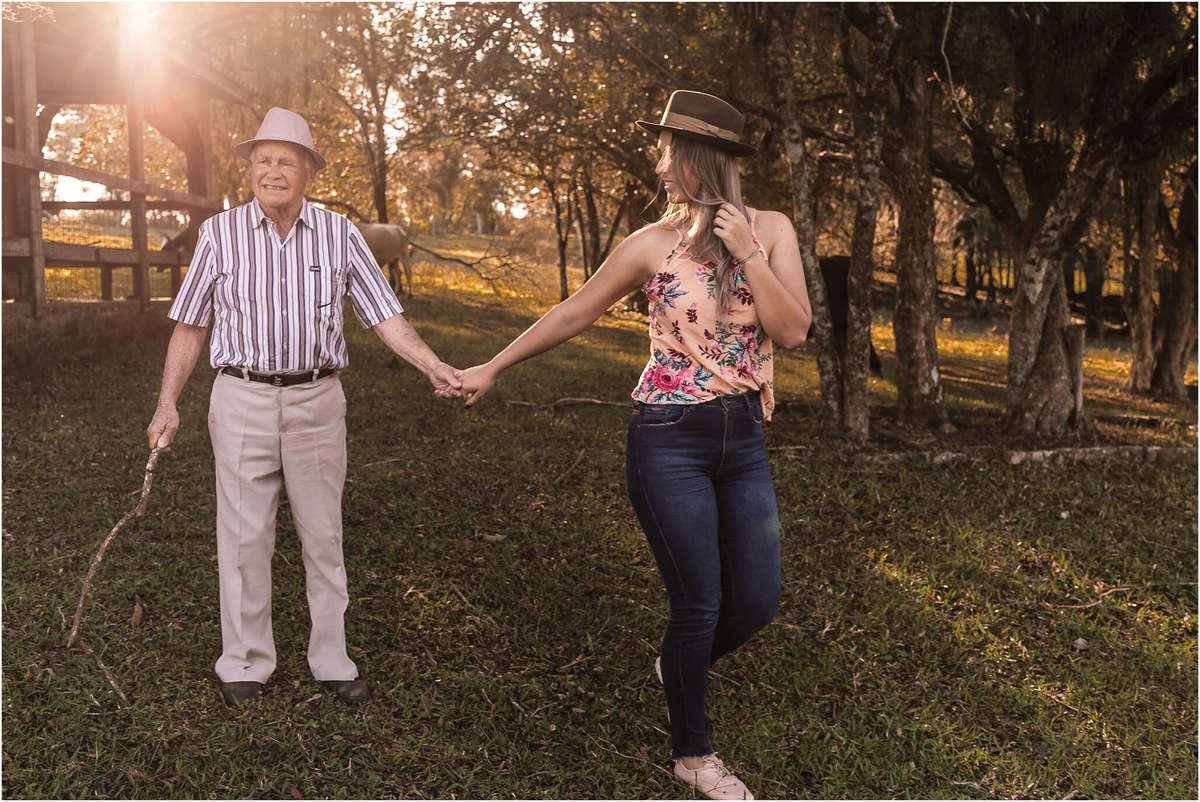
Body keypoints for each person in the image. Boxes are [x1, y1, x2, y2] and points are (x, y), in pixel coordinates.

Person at [457, 91, 812, 800]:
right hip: (667, 439)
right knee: (698, 602)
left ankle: (677, 665)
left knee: (758, 602)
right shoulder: (653, 243)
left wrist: (748, 252)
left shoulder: (771, 229)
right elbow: (574, 312)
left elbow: (794, 330)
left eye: (667, 152)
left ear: (701, 157)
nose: (659, 165)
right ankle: (692, 757)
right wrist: (491, 366)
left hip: (743, 437)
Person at [145, 108, 461, 707]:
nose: (271, 171)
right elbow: (190, 325)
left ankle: (331, 658)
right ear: (250, 169)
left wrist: (433, 366)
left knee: (323, 533)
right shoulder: (219, 234)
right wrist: (167, 404)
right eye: (262, 160)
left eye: (285, 161)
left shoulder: (341, 234)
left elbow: (385, 316)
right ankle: (244, 661)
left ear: (308, 171)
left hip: (317, 399)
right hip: (240, 396)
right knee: (243, 537)